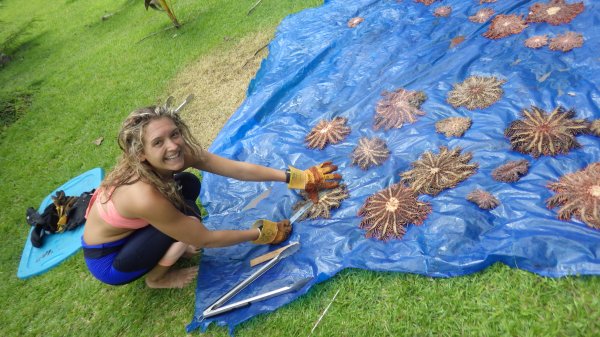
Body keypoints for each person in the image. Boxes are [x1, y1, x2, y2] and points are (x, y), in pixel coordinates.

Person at [82, 102, 341, 288]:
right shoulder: (144, 196)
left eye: (174, 134)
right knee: (190, 225)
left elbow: (237, 170)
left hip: (133, 231)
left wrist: (295, 177)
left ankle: (173, 242)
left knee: (188, 184)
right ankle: (157, 278)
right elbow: (205, 239)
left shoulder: (175, 154)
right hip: (111, 260)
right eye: (158, 142)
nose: (172, 146)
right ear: (141, 153)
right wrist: (261, 233)